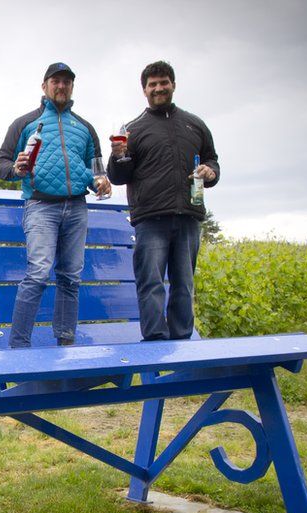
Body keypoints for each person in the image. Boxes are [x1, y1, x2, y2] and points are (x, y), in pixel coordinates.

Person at [0, 63, 110, 348]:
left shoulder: (85, 128)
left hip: (77, 207)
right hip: (40, 207)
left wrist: (101, 182)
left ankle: (66, 344)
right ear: (44, 86)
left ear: (72, 87)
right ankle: (19, 347)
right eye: (56, 81)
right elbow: (1, 165)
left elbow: (97, 171)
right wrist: (17, 169)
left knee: (71, 277)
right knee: (38, 274)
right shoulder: (24, 124)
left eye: (67, 82)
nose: (61, 86)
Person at [107, 60, 219, 341]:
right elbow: (118, 176)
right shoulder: (133, 129)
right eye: (152, 84)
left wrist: (210, 171)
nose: (158, 88)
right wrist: (118, 155)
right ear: (144, 90)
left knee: (184, 284)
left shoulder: (196, 125)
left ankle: (182, 342)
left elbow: (212, 161)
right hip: (150, 219)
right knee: (151, 283)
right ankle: (155, 343)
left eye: (163, 83)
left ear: (173, 85)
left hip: (188, 216)